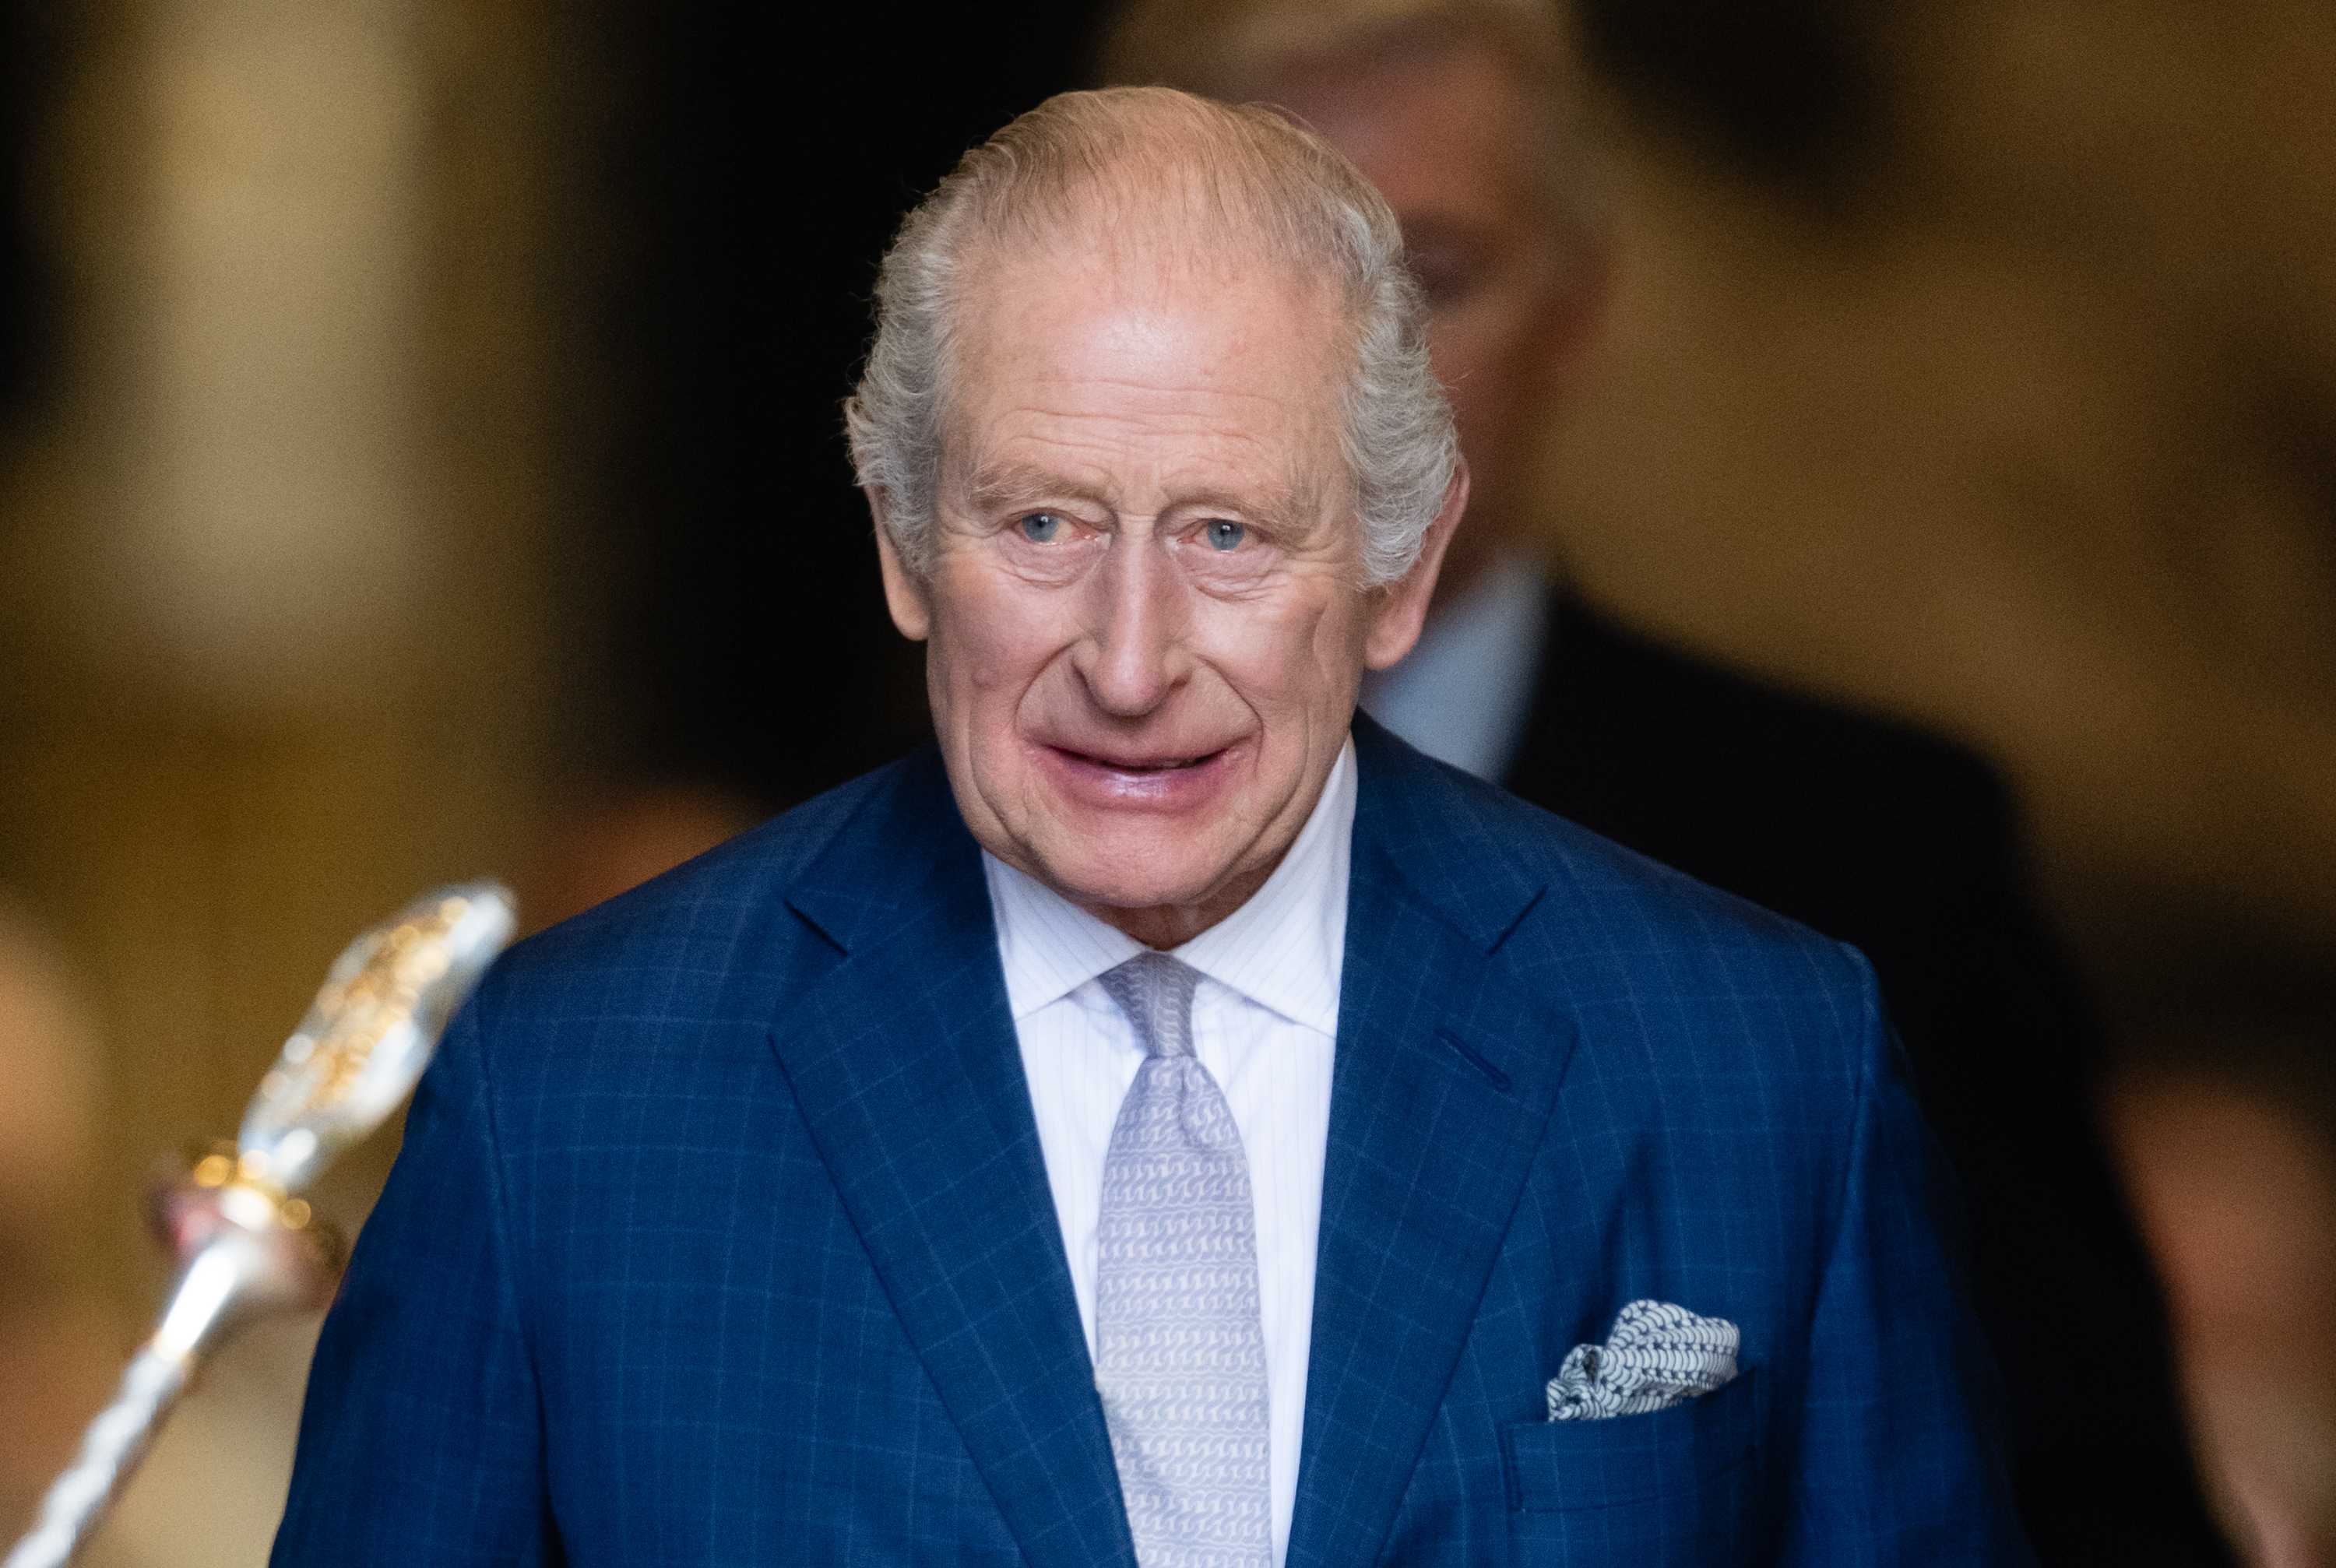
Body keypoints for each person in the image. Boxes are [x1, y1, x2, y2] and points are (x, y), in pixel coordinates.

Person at [272, 88, 2026, 1565]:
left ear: (1401, 565)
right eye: (1043, 523)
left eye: (1228, 535)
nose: (1128, 663)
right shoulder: (568, 1098)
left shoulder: (1759, 1068)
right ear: (901, 541)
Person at [1097, 4, 2230, 1561]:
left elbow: (2085, 1509)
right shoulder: (917, 869)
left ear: (1574, 312)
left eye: (1435, 278)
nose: (1348, 377)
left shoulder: (1860, 875)